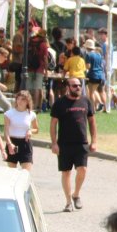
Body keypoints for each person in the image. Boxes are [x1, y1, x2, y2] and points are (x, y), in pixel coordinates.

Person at [50, 77, 97, 213]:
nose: (78, 88)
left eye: (79, 85)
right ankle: (68, 201)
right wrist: (54, 143)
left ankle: (76, 194)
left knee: (82, 169)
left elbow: (92, 122)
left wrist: (94, 141)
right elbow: (53, 124)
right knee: (66, 172)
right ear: (68, 87)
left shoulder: (86, 101)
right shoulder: (59, 103)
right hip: (64, 144)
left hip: (81, 143)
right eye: (75, 86)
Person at [3, 90, 39, 170]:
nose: (20, 101)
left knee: (25, 172)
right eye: (18, 99)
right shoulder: (9, 114)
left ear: (27, 101)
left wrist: (30, 131)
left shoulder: (31, 114)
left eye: (23, 99)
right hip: (13, 142)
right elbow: (6, 131)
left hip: (25, 143)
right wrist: (9, 144)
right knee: (12, 173)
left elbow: (36, 129)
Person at [84, 39, 106, 110]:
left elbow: (88, 66)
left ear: (87, 47)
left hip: (92, 75)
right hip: (100, 75)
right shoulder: (98, 54)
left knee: (91, 93)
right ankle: (104, 106)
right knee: (99, 91)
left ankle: (93, 108)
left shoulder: (88, 55)